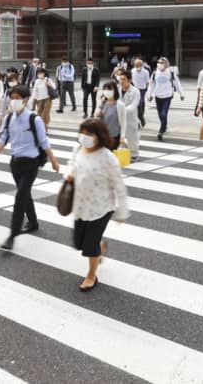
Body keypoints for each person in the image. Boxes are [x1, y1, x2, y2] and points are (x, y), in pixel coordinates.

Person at [0, 85, 60, 250]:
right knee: (24, 194)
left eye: (17, 98)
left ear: (26, 100)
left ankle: (12, 235)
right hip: (15, 163)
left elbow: (44, 142)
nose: (14, 101)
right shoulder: (8, 118)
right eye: (12, 97)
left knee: (20, 198)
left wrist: (54, 161)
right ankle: (33, 222)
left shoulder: (35, 119)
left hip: (31, 164)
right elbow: (3, 138)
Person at [65, 119, 130, 292]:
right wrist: (69, 174)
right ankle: (100, 246)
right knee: (79, 243)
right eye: (83, 133)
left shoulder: (108, 158)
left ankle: (91, 276)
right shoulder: (78, 149)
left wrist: (122, 212)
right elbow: (71, 165)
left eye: (89, 134)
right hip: (80, 206)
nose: (84, 137)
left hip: (101, 209)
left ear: (99, 137)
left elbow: (119, 185)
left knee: (89, 246)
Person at [147, 56, 184, 141]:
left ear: (166, 64)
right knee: (161, 115)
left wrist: (181, 94)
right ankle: (164, 125)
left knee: (163, 114)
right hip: (158, 96)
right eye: (159, 62)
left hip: (167, 96)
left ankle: (161, 131)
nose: (160, 64)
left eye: (162, 63)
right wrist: (149, 95)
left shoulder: (170, 72)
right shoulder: (154, 73)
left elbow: (177, 83)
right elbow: (151, 85)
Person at [117, 71, 140, 161]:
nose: (121, 81)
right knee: (121, 137)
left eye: (124, 79)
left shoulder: (135, 91)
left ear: (129, 80)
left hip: (131, 119)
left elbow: (134, 105)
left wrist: (122, 110)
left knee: (132, 139)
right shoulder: (117, 89)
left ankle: (134, 155)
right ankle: (122, 154)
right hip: (119, 119)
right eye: (120, 79)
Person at [95, 81, 125, 149]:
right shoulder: (102, 103)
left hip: (114, 136)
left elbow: (123, 122)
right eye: (105, 89)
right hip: (102, 136)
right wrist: (97, 113)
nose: (106, 91)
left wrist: (122, 137)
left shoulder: (120, 105)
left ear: (115, 90)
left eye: (109, 89)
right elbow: (96, 116)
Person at [131, 59, 150, 128]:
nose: (137, 67)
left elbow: (147, 82)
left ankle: (141, 117)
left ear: (141, 65)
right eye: (136, 65)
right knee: (137, 106)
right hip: (134, 89)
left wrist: (146, 90)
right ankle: (139, 120)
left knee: (140, 104)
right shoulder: (132, 71)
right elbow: (131, 80)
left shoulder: (146, 72)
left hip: (142, 90)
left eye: (138, 65)